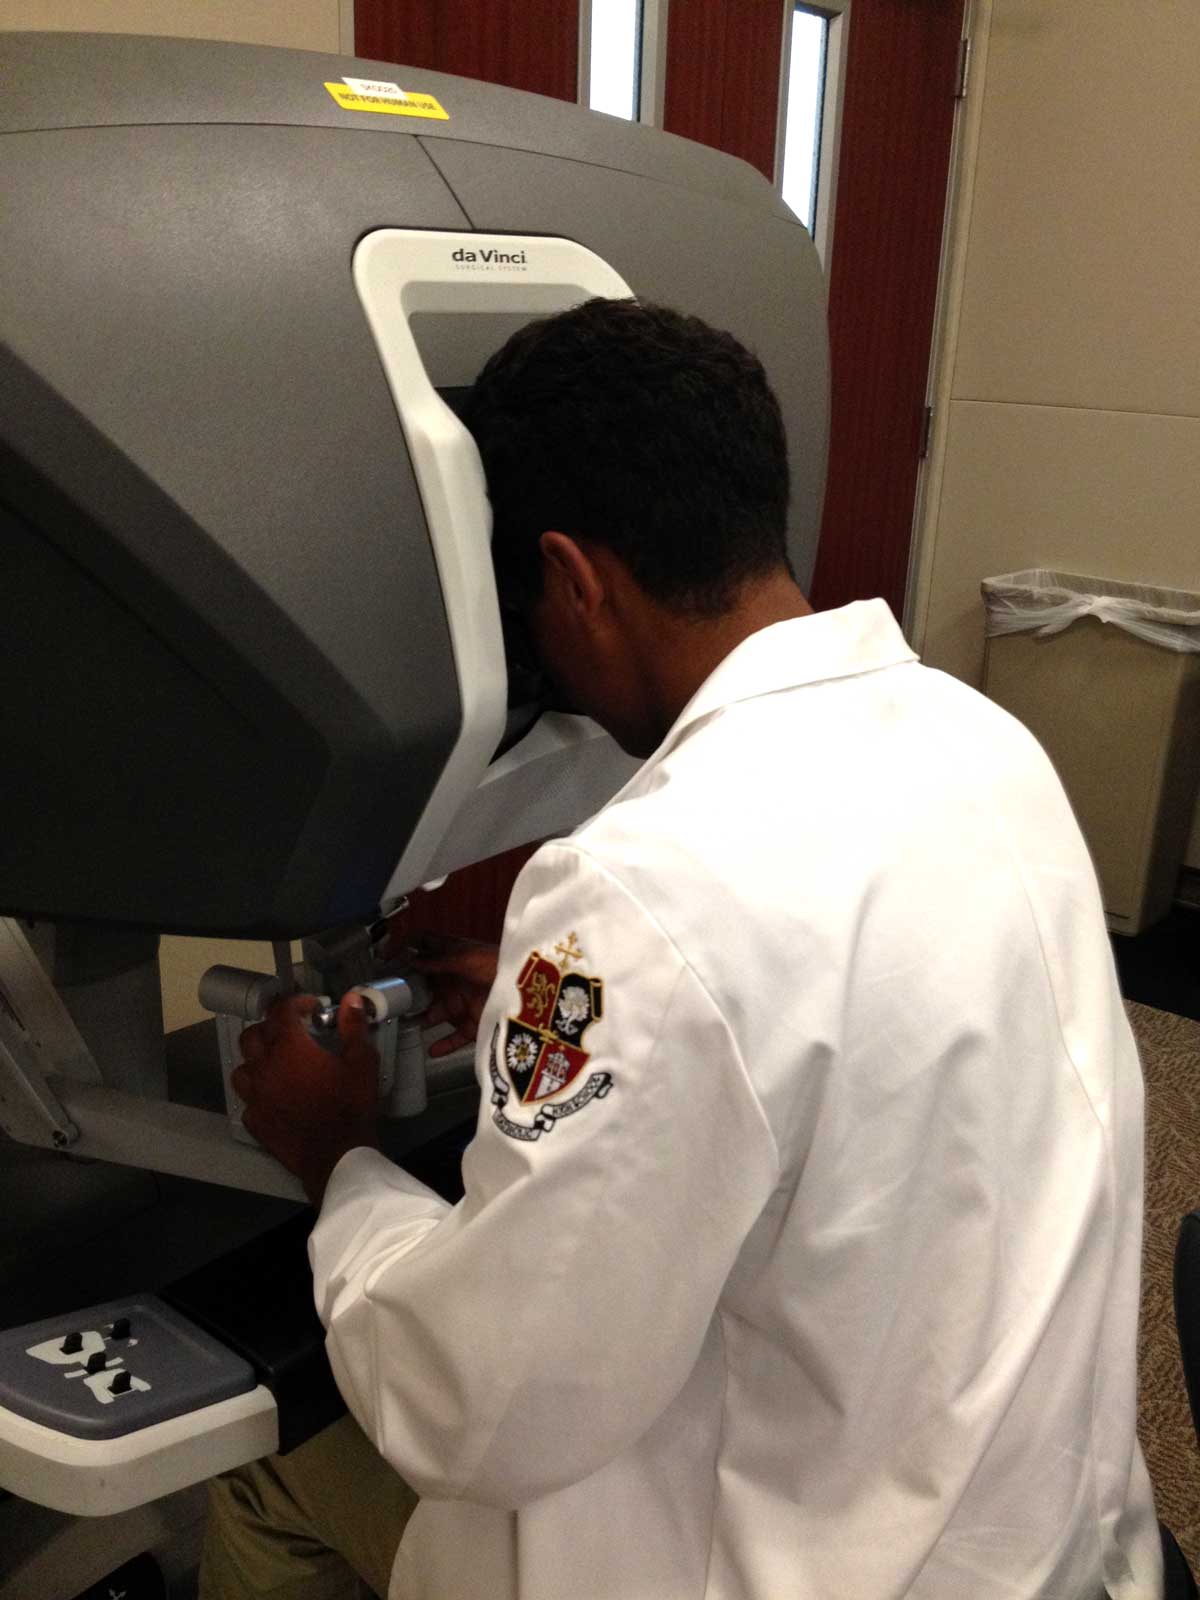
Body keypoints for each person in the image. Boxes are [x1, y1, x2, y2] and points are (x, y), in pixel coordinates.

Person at [203, 299, 1163, 1599]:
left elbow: (476, 1405)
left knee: (269, 1481)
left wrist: (339, 1157)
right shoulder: (981, 742)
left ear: (573, 579)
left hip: (811, 1567)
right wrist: (570, 1015)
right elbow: (825, 1025)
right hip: (1049, 1540)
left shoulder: (642, 891)